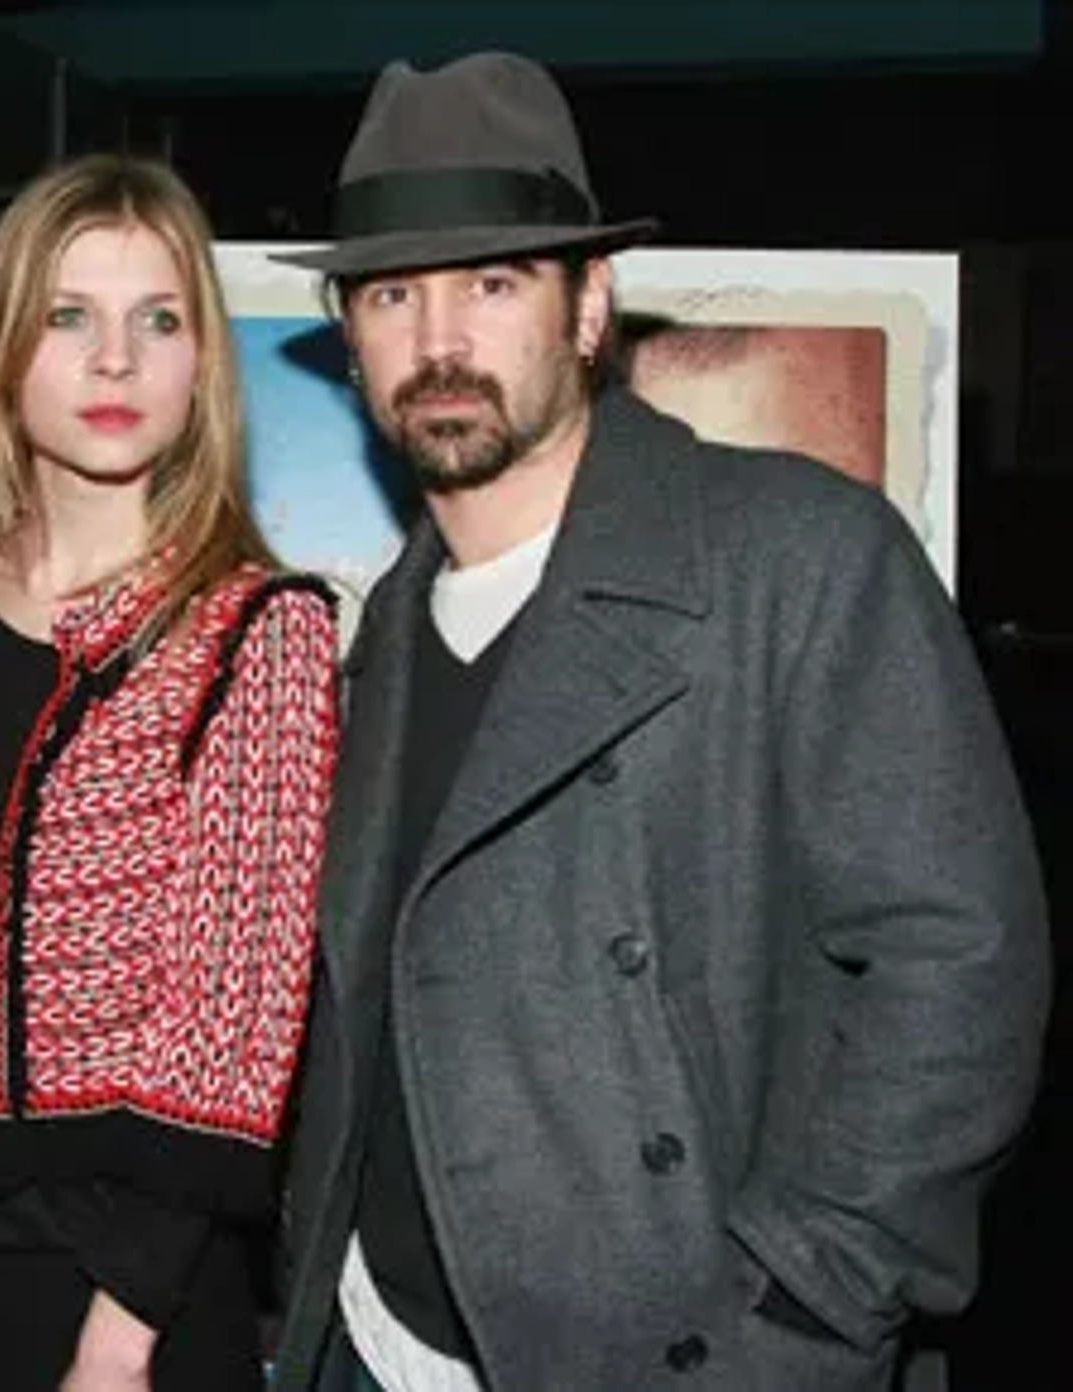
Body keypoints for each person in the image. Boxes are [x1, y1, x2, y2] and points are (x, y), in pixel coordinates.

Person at [268, 51, 1049, 1392]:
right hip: (372, 1344)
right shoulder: (373, 633)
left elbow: (961, 968)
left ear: (589, 311)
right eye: (396, 293)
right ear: (351, 333)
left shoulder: (792, 557)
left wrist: (813, 1308)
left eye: (494, 284)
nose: (440, 340)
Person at [0, 153, 341, 1390]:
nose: (116, 360)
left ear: (202, 363)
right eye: (70, 317)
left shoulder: (254, 630)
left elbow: (233, 1022)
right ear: (4, 351)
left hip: (96, 1291)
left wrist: (124, 1329)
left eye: (158, 321)